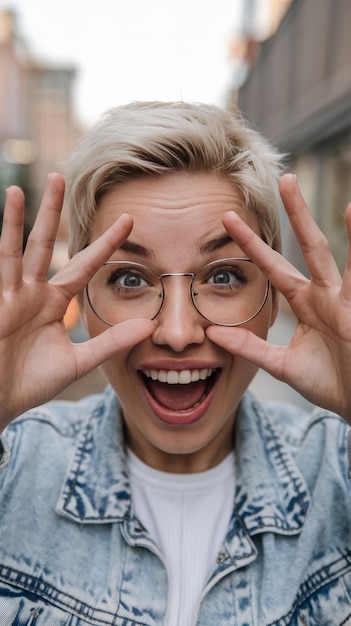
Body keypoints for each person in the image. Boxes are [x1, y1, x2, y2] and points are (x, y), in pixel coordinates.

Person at [0, 101, 351, 626]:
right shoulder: (15, 467)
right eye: (131, 279)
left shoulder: (337, 472)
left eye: (225, 275)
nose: (179, 333)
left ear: (274, 300)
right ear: (82, 305)